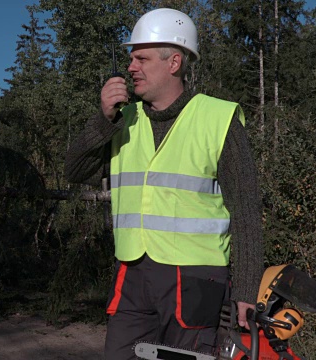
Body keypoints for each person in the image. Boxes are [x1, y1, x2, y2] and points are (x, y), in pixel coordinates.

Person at [64, 8, 264, 359]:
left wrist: (247, 290)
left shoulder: (218, 118)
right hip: (132, 273)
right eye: (130, 59)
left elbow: (246, 211)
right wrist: (103, 119)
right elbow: (75, 171)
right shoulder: (122, 119)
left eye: (141, 58)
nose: (131, 67)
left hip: (197, 279)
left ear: (174, 62)